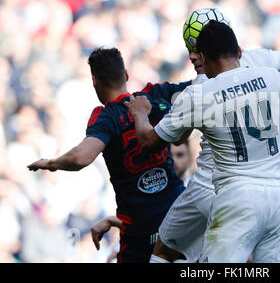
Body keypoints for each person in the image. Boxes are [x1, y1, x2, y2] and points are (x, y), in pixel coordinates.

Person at [124, 20, 280, 262]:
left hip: (238, 198)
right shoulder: (270, 77)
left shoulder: (198, 94)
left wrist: (141, 114)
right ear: (238, 52)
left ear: (202, 57)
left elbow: (150, 142)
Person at [27, 47, 191, 263]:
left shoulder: (106, 117)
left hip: (139, 233)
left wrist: (52, 163)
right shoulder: (153, 95)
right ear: (126, 75)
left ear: (94, 81)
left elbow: (82, 157)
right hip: (177, 215)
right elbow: (199, 85)